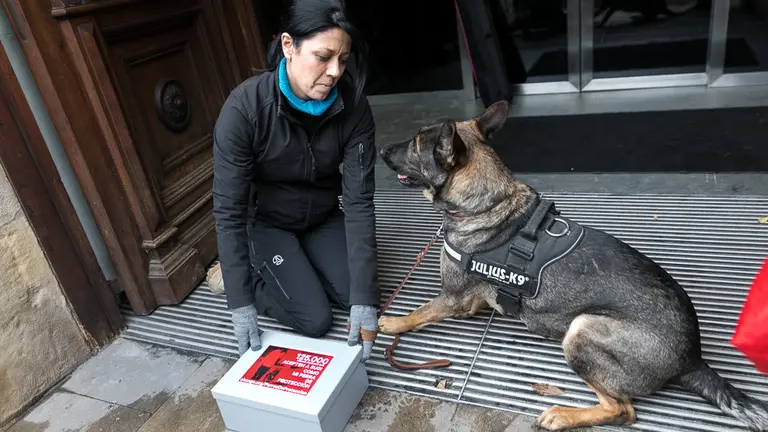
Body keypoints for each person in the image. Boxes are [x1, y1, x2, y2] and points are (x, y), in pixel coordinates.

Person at [212, 0, 380, 362]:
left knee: (358, 294)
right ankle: (248, 274)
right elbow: (229, 212)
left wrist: (365, 301)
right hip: (269, 224)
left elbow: (359, 202)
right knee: (314, 319)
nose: (335, 72)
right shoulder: (244, 110)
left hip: (322, 217)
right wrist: (241, 305)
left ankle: (299, 267)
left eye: (343, 59)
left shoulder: (354, 107)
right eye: (323, 57)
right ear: (289, 46)